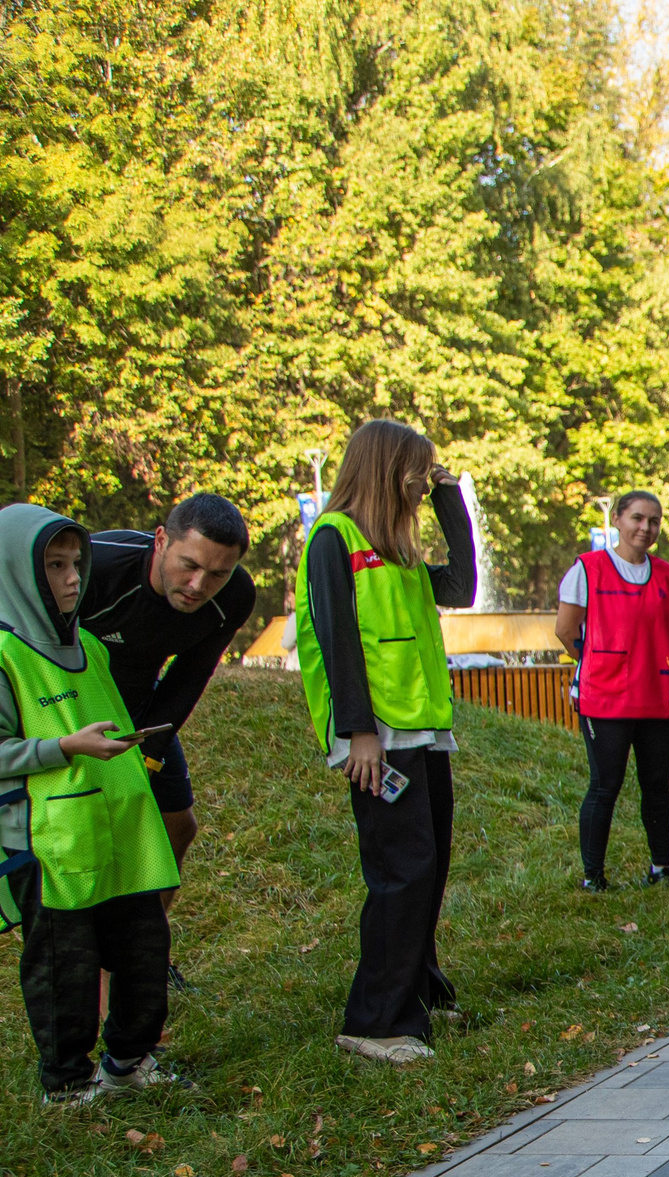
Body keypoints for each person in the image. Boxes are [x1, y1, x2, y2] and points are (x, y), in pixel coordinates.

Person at [295, 418, 477, 1065]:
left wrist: (451, 499)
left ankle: (420, 994)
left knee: (428, 868)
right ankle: (374, 1020)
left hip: (421, 732)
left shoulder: (397, 550)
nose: (421, 482)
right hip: (378, 738)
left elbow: (462, 586)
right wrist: (358, 733)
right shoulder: (332, 539)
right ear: (386, 466)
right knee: (402, 872)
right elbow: (337, 638)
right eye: (417, 470)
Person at [0, 507, 182, 1101]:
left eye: (76, 563)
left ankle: (129, 1061)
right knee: (65, 971)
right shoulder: (4, 653)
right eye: (54, 566)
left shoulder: (89, 646)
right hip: (52, 843)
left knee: (144, 953)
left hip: (125, 831)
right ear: (17, 570)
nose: (73, 578)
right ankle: (68, 1085)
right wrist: (63, 747)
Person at [79, 493, 254, 989]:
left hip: (142, 709)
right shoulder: (98, 567)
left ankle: (140, 956)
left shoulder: (235, 595)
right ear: (161, 541)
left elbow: (189, 677)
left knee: (179, 826)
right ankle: (90, 967)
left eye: (217, 574)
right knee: (97, 842)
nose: (200, 585)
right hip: (74, 709)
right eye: (189, 565)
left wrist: (150, 753)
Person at [558, 491, 669, 890]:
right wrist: (597, 660)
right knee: (605, 784)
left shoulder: (667, 574)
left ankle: (661, 867)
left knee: (656, 784)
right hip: (605, 698)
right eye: (637, 518)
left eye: (654, 521)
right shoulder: (587, 568)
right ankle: (593, 876)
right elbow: (565, 630)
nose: (645, 528)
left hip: (656, 697)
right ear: (617, 519)